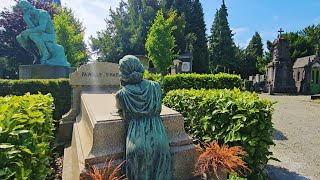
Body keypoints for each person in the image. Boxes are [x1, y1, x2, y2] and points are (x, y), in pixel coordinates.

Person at [115, 55, 172, 180]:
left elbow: (119, 108)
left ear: (123, 72)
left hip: (136, 139)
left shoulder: (121, 94)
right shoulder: (155, 86)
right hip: (159, 136)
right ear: (140, 68)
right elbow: (159, 108)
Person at [16, 0, 69, 66]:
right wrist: (26, 19)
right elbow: (32, 28)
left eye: (24, 10)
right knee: (20, 38)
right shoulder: (30, 17)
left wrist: (28, 31)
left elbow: (42, 28)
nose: (23, 12)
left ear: (29, 8)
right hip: (40, 35)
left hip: (49, 36)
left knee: (33, 35)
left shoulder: (42, 13)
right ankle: (36, 56)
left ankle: (46, 55)